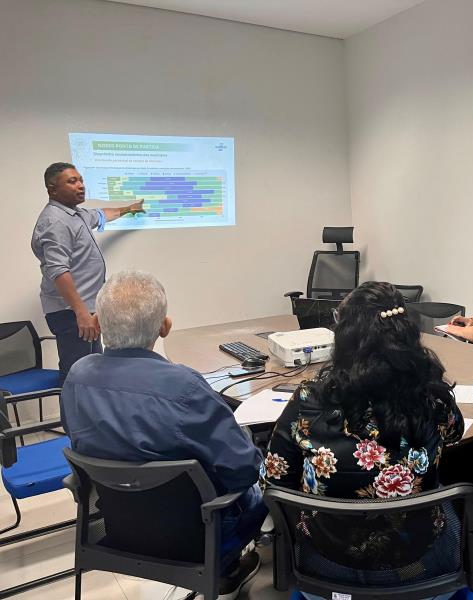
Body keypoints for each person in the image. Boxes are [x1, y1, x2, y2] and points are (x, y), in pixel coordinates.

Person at [60, 271, 265, 600]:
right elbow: (243, 470)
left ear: (96, 323)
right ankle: (231, 566)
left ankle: (227, 570)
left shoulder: (77, 377)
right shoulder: (185, 388)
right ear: (165, 327)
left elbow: (79, 439)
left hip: (117, 530)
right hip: (198, 538)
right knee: (265, 479)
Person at [263, 282, 464, 596]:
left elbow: (274, 481)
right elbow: (454, 433)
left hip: (325, 571)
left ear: (344, 337)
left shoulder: (309, 400)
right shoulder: (432, 397)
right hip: (422, 571)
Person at [31, 162, 145, 383]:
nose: (81, 185)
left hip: (85, 310)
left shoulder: (76, 215)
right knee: (78, 376)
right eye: (72, 181)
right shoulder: (55, 221)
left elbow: (102, 214)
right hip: (71, 313)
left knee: (95, 374)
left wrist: (131, 208)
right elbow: (58, 270)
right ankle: (73, 408)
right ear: (53, 190)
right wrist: (80, 312)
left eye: (81, 180)